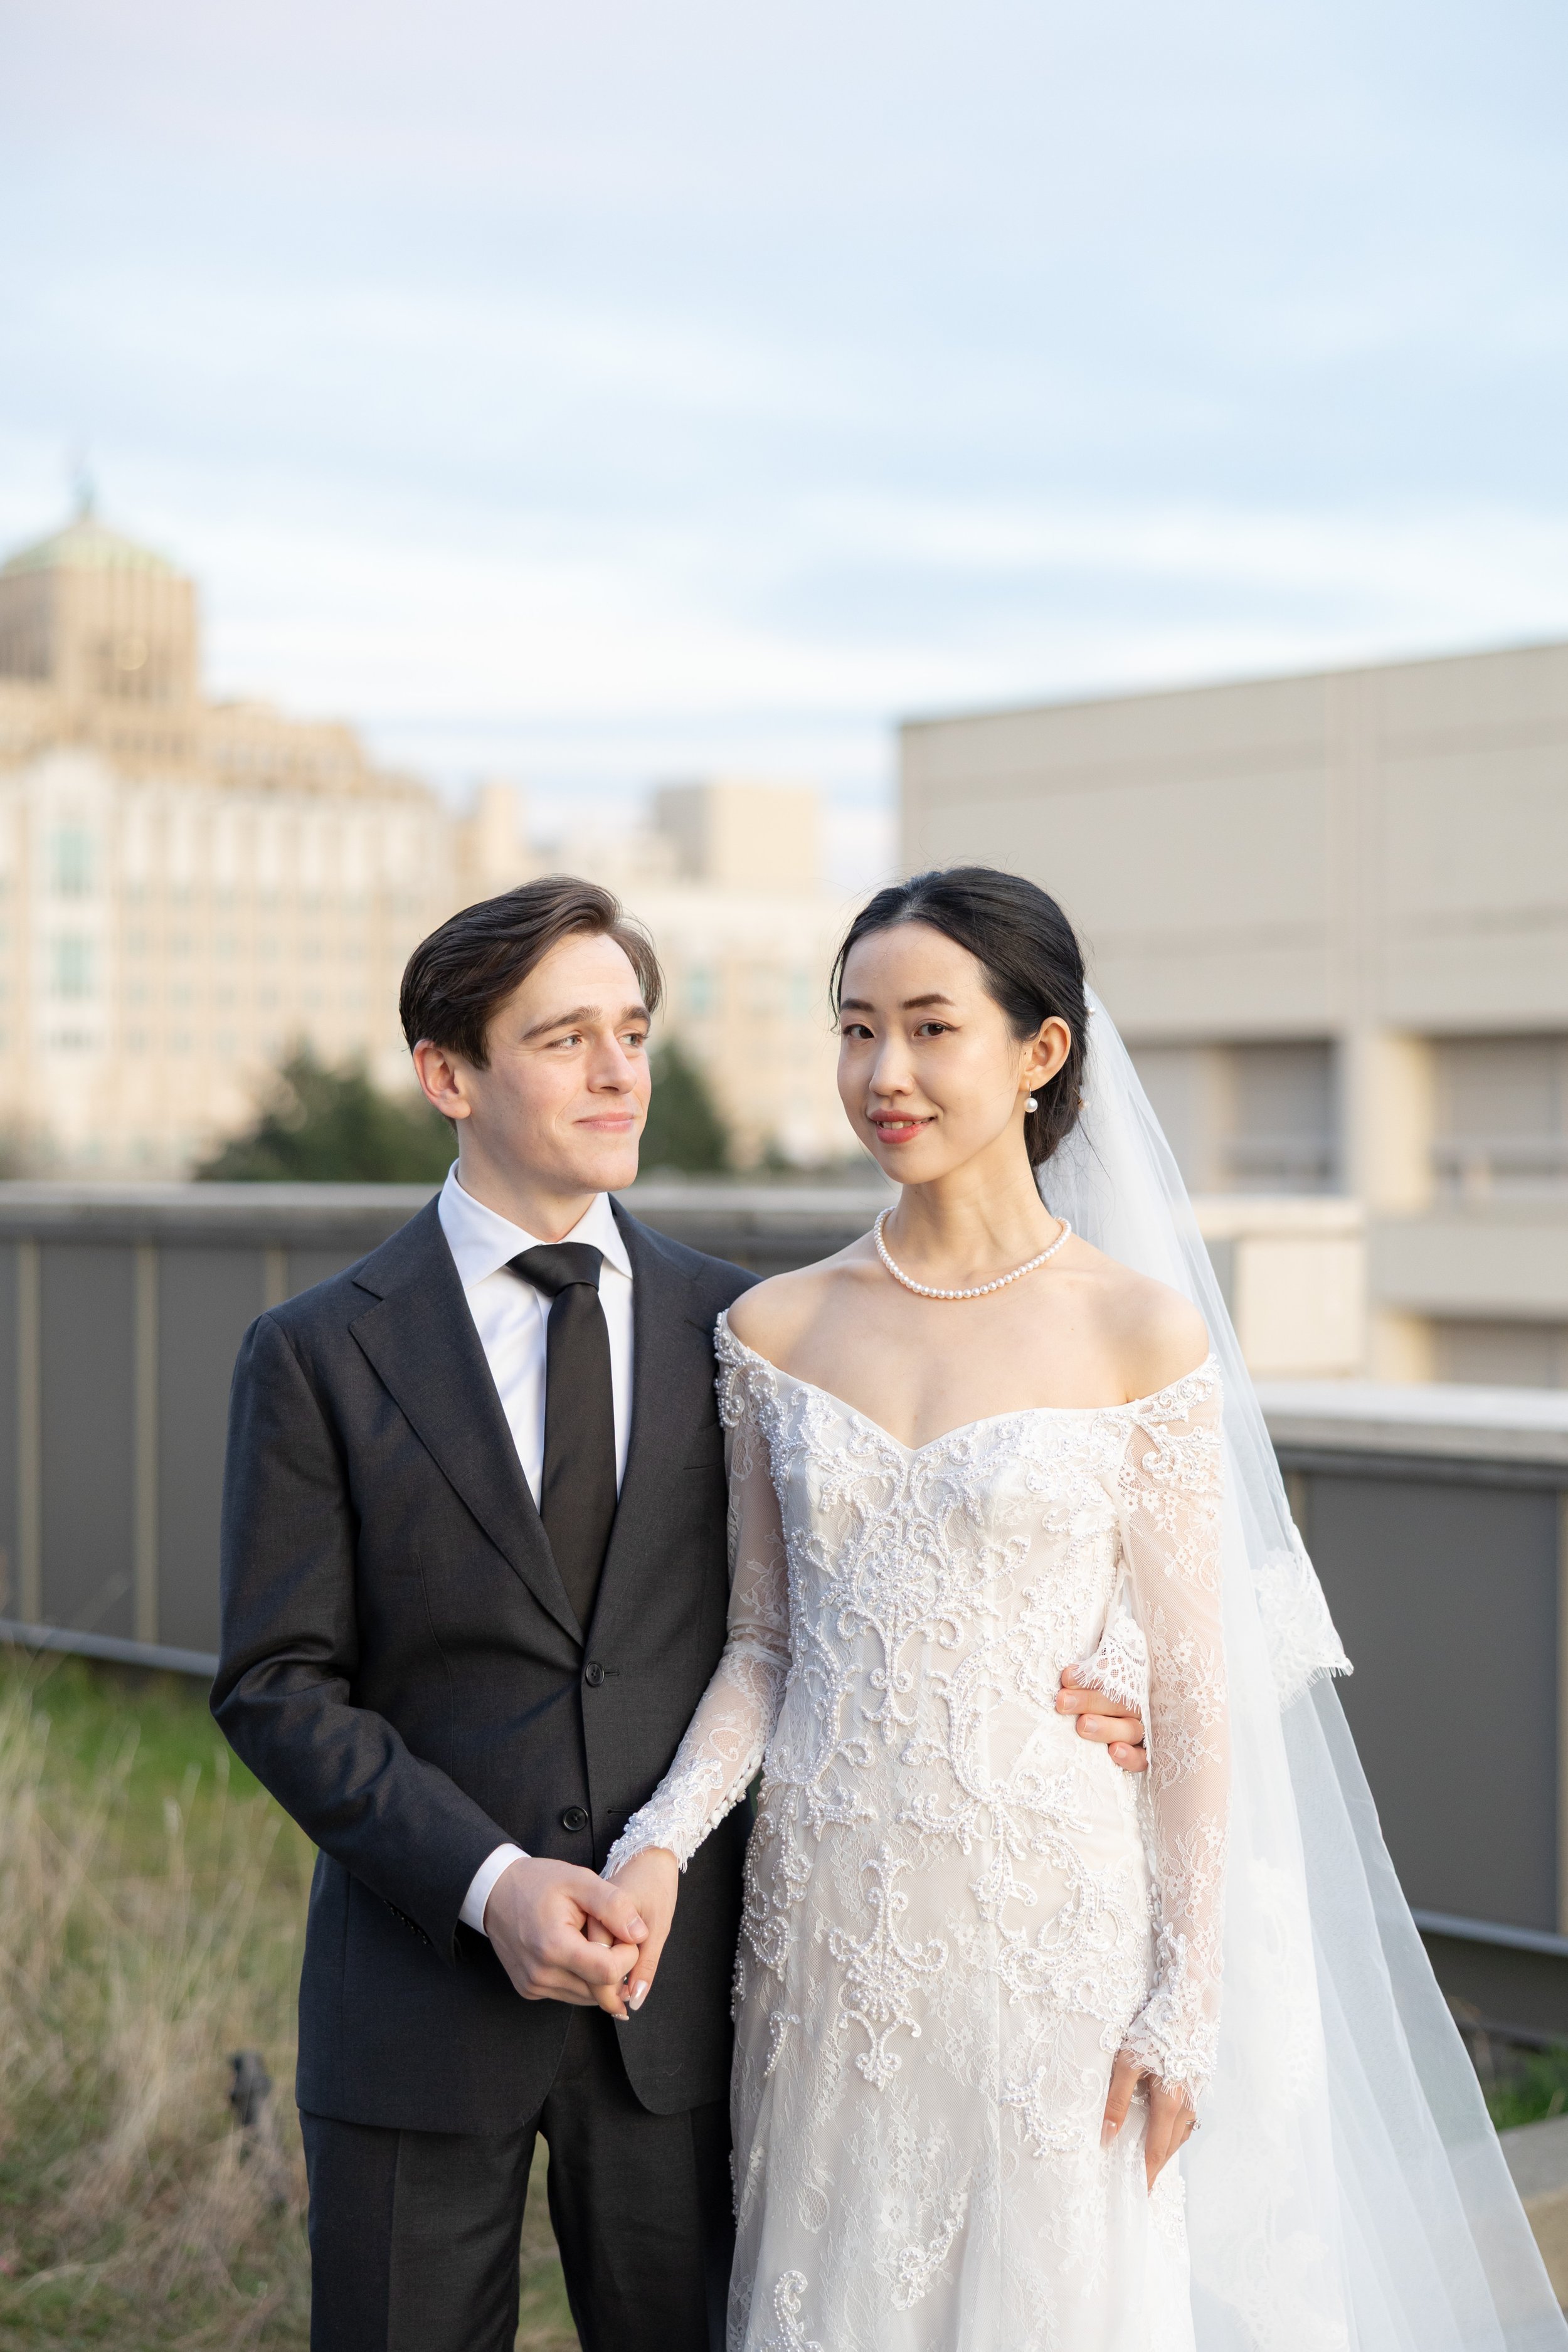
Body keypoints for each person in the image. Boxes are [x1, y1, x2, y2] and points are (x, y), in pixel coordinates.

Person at [602, 867, 1567, 2352]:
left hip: (1053, 1930)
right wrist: (658, 1842)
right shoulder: (770, 1329)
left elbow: (1187, 1685)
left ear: (1039, 1053)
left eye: (930, 1029)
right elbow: (763, 1648)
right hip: (827, 1923)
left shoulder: (1139, 1329)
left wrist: (1183, 2002)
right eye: (855, 1031)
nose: (885, 1074)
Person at [210, 872, 1150, 2352]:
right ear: (446, 1074)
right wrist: (490, 1883)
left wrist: (1121, 1666)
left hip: (694, 2019)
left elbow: (857, 1597)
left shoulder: (752, 1327)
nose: (615, 1072)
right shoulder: (316, 1353)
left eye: (632, 1032)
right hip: (415, 2003)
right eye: (562, 1037)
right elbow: (276, 1688)